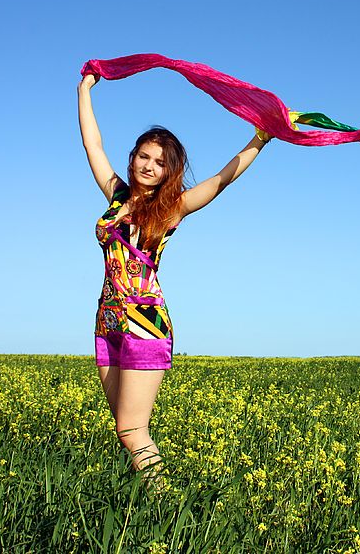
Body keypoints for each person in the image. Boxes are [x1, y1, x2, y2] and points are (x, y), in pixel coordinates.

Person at [77, 73, 271, 490]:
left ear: (170, 170)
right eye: (143, 156)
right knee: (123, 429)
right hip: (107, 320)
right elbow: (93, 145)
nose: (148, 165)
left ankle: (166, 506)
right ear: (133, 158)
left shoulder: (171, 208)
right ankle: (147, 502)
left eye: (159, 162)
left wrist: (259, 140)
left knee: (132, 429)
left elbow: (221, 181)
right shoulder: (115, 196)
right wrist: (85, 90)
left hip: (146, 322)